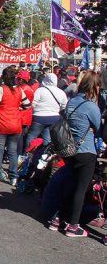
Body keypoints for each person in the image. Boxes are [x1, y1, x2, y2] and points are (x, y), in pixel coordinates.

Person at [51, 71, 102, 238]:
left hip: (69, 149)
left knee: (70, 185)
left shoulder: (72, 101)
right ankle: (73, 226)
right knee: (81, 189)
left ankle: (57, 218)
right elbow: (99, 128)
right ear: (94, 87)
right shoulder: (91, 106)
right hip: (85, 151)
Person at [0, 67, 31, 186]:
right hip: (15, 124)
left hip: (2, 124)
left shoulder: (1, 89)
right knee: (13, 151)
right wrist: (17, 109)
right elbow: (27, 105)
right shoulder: (19, 90)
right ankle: (14, 177)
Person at [25, 72, 66, 151]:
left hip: (39, 117)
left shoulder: (40, 90)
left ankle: (27, 153)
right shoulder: (61, 92)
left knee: (31, 136)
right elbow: (64, 106)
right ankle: (45, 154)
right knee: (48, 139)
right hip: (54, 118)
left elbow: (33, 104)